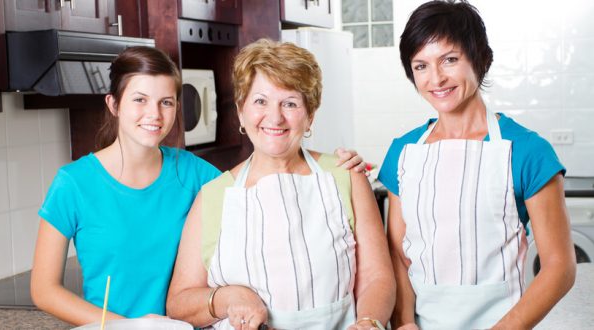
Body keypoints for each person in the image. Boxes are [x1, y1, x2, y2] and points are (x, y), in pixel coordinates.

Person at [31, 46, 366, 326]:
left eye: (167, 102)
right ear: (114, 105)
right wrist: (127, 326)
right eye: (140, 100)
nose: (155, 114)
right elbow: (44, 290)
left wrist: (338, 165)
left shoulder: (196, 175)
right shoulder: (73, 183)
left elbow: (263, 181)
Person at [166, 38, 396, 330]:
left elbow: (378, 276)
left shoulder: (346, 176)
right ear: (241, 111)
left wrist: (368, 322)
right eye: (260, 101)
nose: (275, 118)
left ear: (310, 115)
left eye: (290, 103)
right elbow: (179, 303)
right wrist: (225, 299)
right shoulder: (214, 196)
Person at [378, 1, 576, 329]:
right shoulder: (404, 151)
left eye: (450, 60)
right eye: (421, 66)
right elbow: (398, 256)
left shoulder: (527, 151)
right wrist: (403, 323)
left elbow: (560, 266)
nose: (436, 78)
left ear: (481, 58)